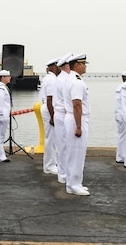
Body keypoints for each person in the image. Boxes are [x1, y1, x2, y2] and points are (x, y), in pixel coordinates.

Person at [64, 53, 90, 196]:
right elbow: (77, 105)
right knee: (77, 153)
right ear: (77, 65)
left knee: (74, 153)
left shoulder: (70, 79)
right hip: (76, 119)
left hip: (72, 118)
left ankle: (74, 183)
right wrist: (79, 126)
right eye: (83, 64)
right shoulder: (77, 82)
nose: (85, 66)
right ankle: (74, 185)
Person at [53, 52, 73, 184]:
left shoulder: (59, 78)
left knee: (62, 145)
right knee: (65, 146)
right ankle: (64, 174)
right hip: (63, 113)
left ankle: (62, 173)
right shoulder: (65, 79)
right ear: (67, 66)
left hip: (59, 113)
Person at [40, 57, 60, 174]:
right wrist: (53, 117)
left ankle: (52, 162)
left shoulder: (49, 78)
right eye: (58, 66)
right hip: (49, 110)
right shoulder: (52, 80)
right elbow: (50, 99)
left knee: (51, 139)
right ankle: (49, 165)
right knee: (51, 139)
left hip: (48, 109)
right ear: (54, 67)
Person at [0, 69, 12, 163]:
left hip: (3, 114)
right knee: (0, 136)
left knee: (1, 136)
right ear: (3, 77)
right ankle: (0, 156)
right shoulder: (1, 88)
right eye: (8, 76)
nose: (9, 78)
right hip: (2, 115)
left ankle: (0, 156)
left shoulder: (2, 87)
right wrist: (1, 115)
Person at [114, 71, 126, 164]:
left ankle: (120, 156)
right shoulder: (124, 88)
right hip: (123, 114)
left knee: (121, 136)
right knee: (125, 136)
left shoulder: (119, 87)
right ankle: (122, 156)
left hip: (118, 114)